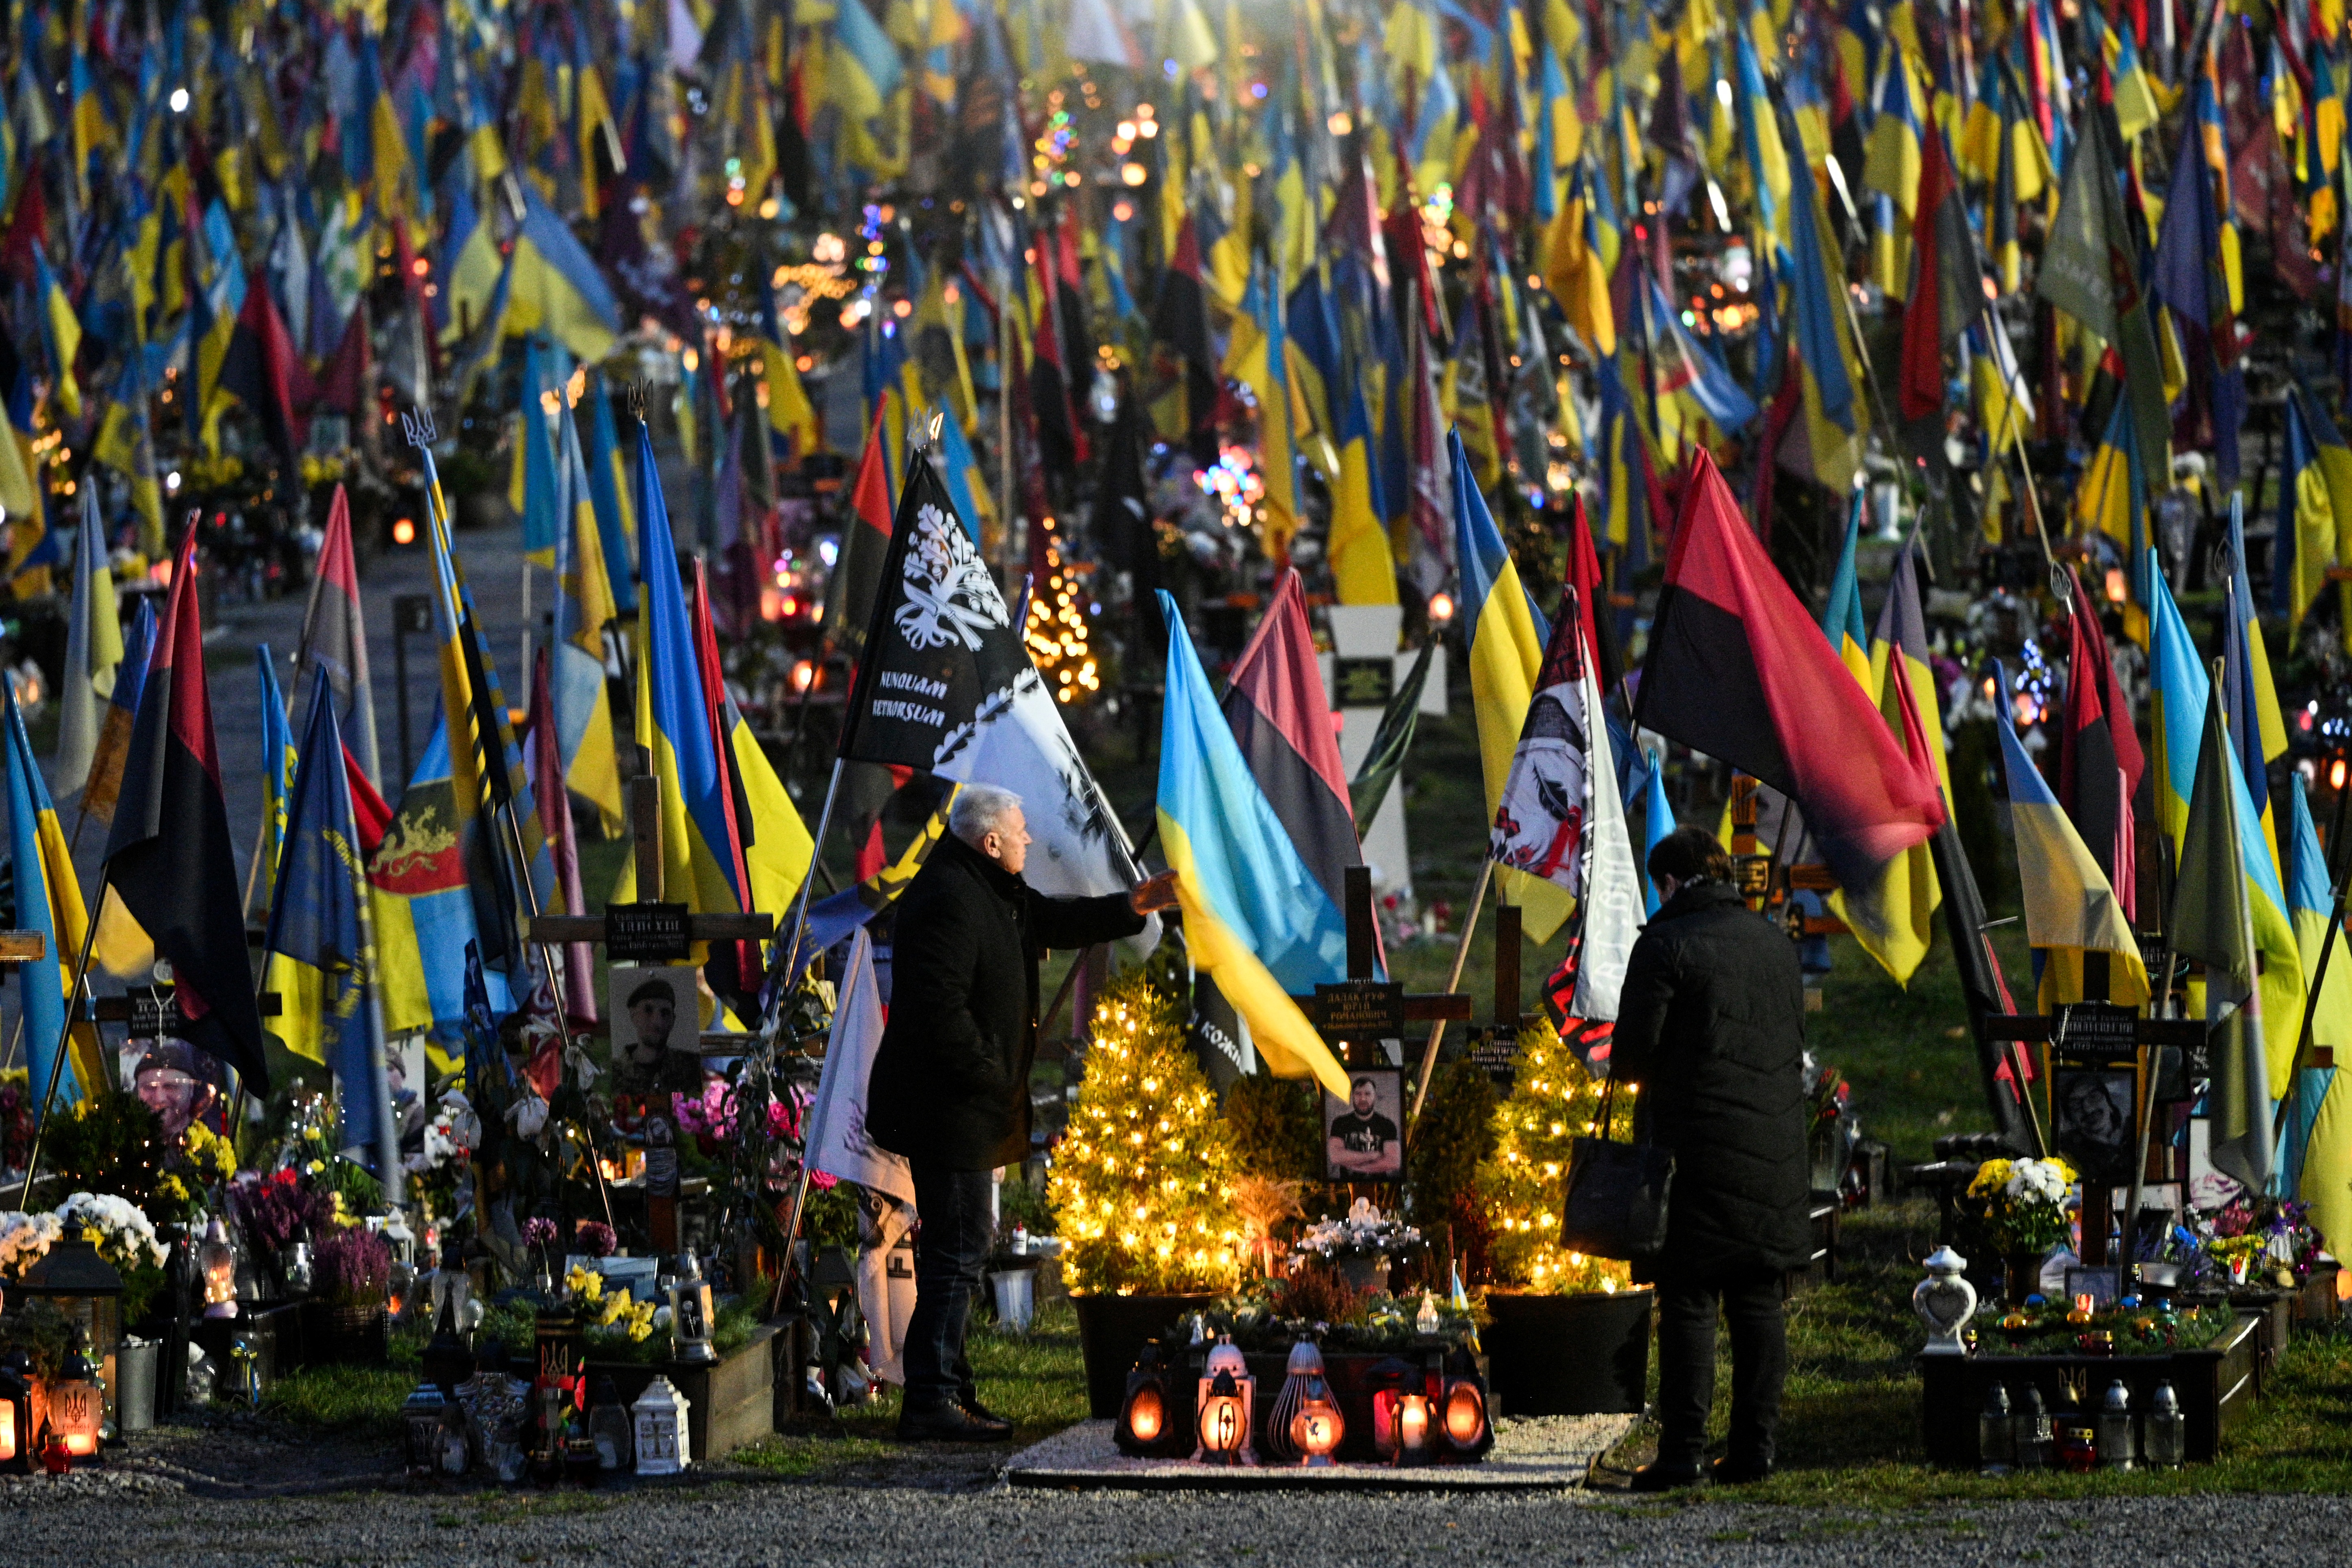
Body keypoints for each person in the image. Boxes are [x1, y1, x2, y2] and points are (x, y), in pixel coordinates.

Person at [867, 783, 1177, 1442]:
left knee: (962, 1247)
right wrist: (991, 1071)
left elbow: (1056, 922)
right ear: (990, 841)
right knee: (956, 1250)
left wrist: (1136, 904)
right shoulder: (949, 897)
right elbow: (938, 1007)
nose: (1029, 840)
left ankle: (949, 1385)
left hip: (968, 1104)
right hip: (948, 1106)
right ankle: (929, 1397)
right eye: (1020, 831)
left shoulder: (987, 886)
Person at [1609, 826, 1812, 1489]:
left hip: (1691, 1146)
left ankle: (1682, 1453)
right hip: (1774, 1145)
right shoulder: (1774, 943)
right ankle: (1756, 1450)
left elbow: (1633, 1054)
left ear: (1669, 882)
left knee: (1689, 1298)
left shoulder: (1665, 944)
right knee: (1758, 1299)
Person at [1327, 1076, 1401, 1177]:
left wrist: (1355, 1165)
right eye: (1358, 1094)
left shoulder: (1387, 1125)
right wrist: (1373, 1156)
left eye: (1368, 1094)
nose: (1363, 1099)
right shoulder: (1340, 1123)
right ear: (1352, 1096)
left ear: (1375, 1096)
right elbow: (1336, 1157)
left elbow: (1394, 1162)